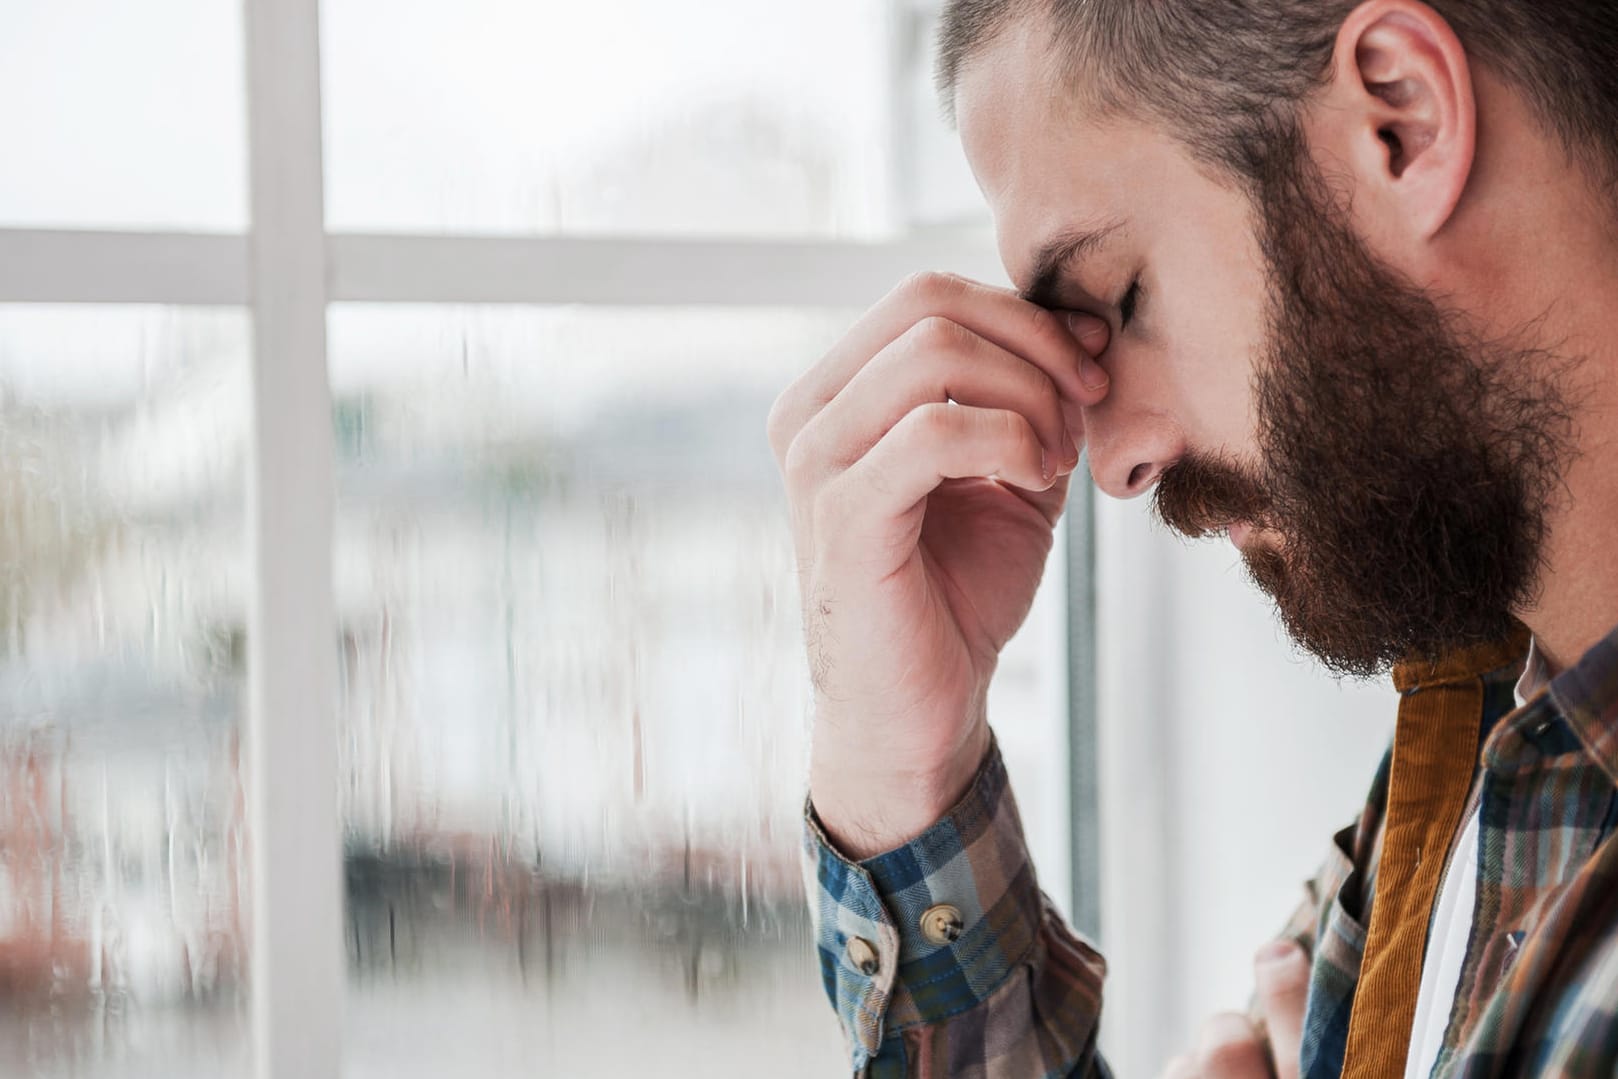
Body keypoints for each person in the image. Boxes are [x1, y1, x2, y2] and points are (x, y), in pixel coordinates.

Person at [765, 1, 1618, 1075]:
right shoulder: (1477, 733)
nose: (1113, 462)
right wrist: (901, 775)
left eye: (1120, 297)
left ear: (1402, 122)